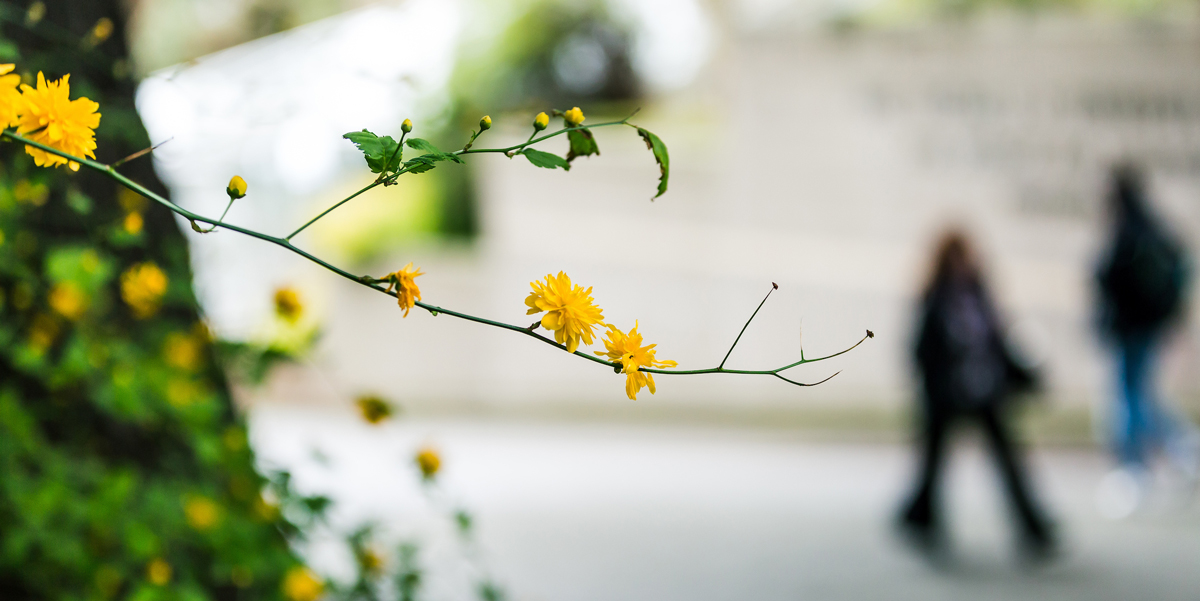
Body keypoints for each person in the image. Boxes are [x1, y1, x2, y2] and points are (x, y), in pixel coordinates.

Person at [898, 230, 1057, 560]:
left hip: (985, 392)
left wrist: (1024, 377)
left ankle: (1033, 529)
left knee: (1009, 463)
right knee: (932, 467)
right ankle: (921, 520)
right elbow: (921, 350)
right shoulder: (935, 299)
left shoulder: (980, 296)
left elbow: (1000, 344)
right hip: (945, 396)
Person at [1094, 164, 1199, 511]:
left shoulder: (1126, 231)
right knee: (1141, 393)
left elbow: (1109, 280)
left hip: (1130, 328)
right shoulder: (1153, 226)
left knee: (1129, 397)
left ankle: (1134, 468)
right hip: (1147, 326)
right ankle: (1184, 446)